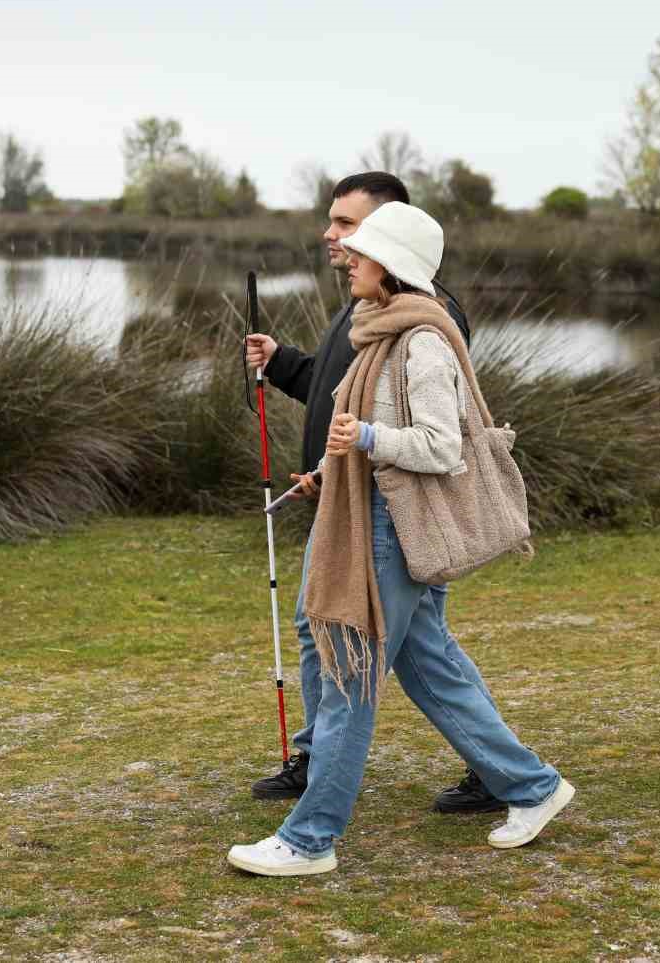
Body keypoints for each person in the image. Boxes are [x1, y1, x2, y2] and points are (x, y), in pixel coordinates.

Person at [228, 202, 573, 876]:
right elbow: (366, 434)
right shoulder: (378, 333)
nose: (350, 257)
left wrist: (364, 439)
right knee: (429, 669)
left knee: (349, 681)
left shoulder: (422, 342)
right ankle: (534, 788)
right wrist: (331, 473)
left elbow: (443, 449)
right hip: (375, 516)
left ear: (395, 264)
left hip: (396, 528)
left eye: (364, 248)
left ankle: (309, 839)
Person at [244, 173, 499, 815]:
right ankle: (505, 775)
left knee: (352, 656)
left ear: (392, 234)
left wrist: (356, 455)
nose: (332, 236)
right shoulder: (368, 307)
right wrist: (282, 363)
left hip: (394, 517)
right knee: (414, 651)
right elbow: (341, 396)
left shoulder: (424, 320)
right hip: (347, 502)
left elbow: (432, 436)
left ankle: (317, 799)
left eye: (348, 225)